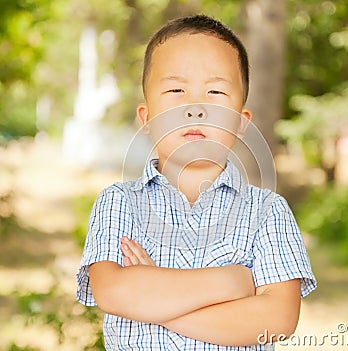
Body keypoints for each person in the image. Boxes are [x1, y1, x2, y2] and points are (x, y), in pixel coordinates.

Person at [76, 14, 316, 350]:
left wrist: (155, 301)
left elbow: (276, 320)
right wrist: (230, 282)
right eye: (176, 90)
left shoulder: (267, 212)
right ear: (146, 118)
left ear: (241, 123)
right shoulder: (119, 202)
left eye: (215, 91)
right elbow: (114, 293)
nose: (195, 108)